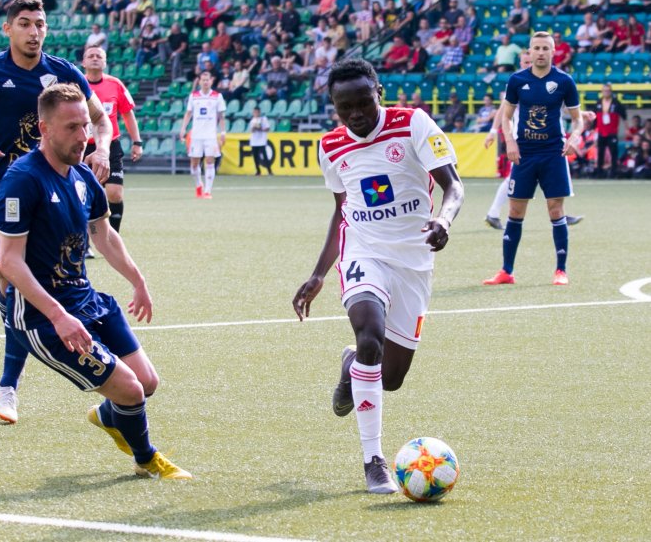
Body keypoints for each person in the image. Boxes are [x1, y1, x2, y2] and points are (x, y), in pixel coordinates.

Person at [0, 82, 190, 479]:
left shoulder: (82, 175)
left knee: (147, 382)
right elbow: (8, 262)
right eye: (71, 127)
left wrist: (138, 280)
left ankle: (108, 416)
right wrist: (58, 316)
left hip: (86, 299)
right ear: (44, 129)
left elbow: (104, 234)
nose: (83, 136)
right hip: (41, 317)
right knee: (130, 389)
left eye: (85, 125)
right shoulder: (22, 180)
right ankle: (146, 459)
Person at [0, 0, 112, 425]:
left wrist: (103, 148)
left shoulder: (63, 72)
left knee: (46, 280)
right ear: (8, 29)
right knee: (10, 282)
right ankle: (9, 385)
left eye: (40, 24)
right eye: (25, 24)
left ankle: (11, 383)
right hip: (4, 195)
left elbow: (101, 119)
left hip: (54, 194)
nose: (34, 32)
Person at [292, 58, 464, 494]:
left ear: (379, 93)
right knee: (369, 334)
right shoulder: (330, 146)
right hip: (364, 252)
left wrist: (444, 220)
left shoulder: (413, 124)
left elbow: (454, 186)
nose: (355, 114)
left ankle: (350, 365)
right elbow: (342, 211)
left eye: (363, 103)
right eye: (343, 107)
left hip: (414, 261)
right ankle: (374, 461)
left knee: (390, 378)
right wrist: (318, 274)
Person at [483, 32, 584, 286]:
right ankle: (506, 271)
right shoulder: (517, 80)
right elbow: (506, 117)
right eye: (536, 48)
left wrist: (574, 138)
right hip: (524, 154)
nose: (540, 52)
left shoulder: (564, 81)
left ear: (553, 51)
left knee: (556, 210)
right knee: (515, 210)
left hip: (553, 154)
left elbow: (578, 119)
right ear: (529, 51)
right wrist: (510, 141)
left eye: (545, 48)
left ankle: (561, 271)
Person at [82, 46, 143, 236]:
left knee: (115, 193)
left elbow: (128, 114)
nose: (95, 58)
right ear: (83, 62)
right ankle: (84, 237)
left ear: (105, 62)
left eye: (99, 56)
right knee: (83, 194)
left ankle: (113, 236)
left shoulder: (115, 84)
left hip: (110, 146)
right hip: (83, 146)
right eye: (90, 56)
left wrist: (137, 142)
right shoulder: (76, 84)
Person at [178, 70, 226, 199]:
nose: (205, 82)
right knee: (194, 163)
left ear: (211, 81)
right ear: (199, 81)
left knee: (210, 161)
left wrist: (223, 132)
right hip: (196, 135)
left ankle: (208, 191)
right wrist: (183, 128)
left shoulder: (217, 96)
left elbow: (221, 116)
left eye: (207, 80)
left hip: (210, 135)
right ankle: (199, 184)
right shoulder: (193, 96)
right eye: (203, 80)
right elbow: (188, 113)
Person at [591, 83, 626, 179]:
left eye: (608, 91)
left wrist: (626, 129)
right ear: (602, 92)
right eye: (604, 91)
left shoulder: (616, 103)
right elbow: (595, 118)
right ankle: (599, 173)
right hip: (601, 132)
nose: (606, 92)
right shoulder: (598, 102)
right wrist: (594, 130)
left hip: (612, 132)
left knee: (614, 153)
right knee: (600, 153)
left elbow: (624, 116)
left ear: (611, 92)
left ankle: (614, 172)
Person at [248, 107, 272, 175]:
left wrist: (260, 129)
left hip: (261, 141)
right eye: (254, 112)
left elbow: (267, 129)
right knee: (255, 157)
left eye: (256, 112)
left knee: (265, 156)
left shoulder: (263, 119)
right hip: (254, 141)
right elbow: (251, 130)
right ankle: (258, 171)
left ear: (259, 112)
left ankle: (269, 171)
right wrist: (254, 128)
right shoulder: (252, 121)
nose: (255, 113)